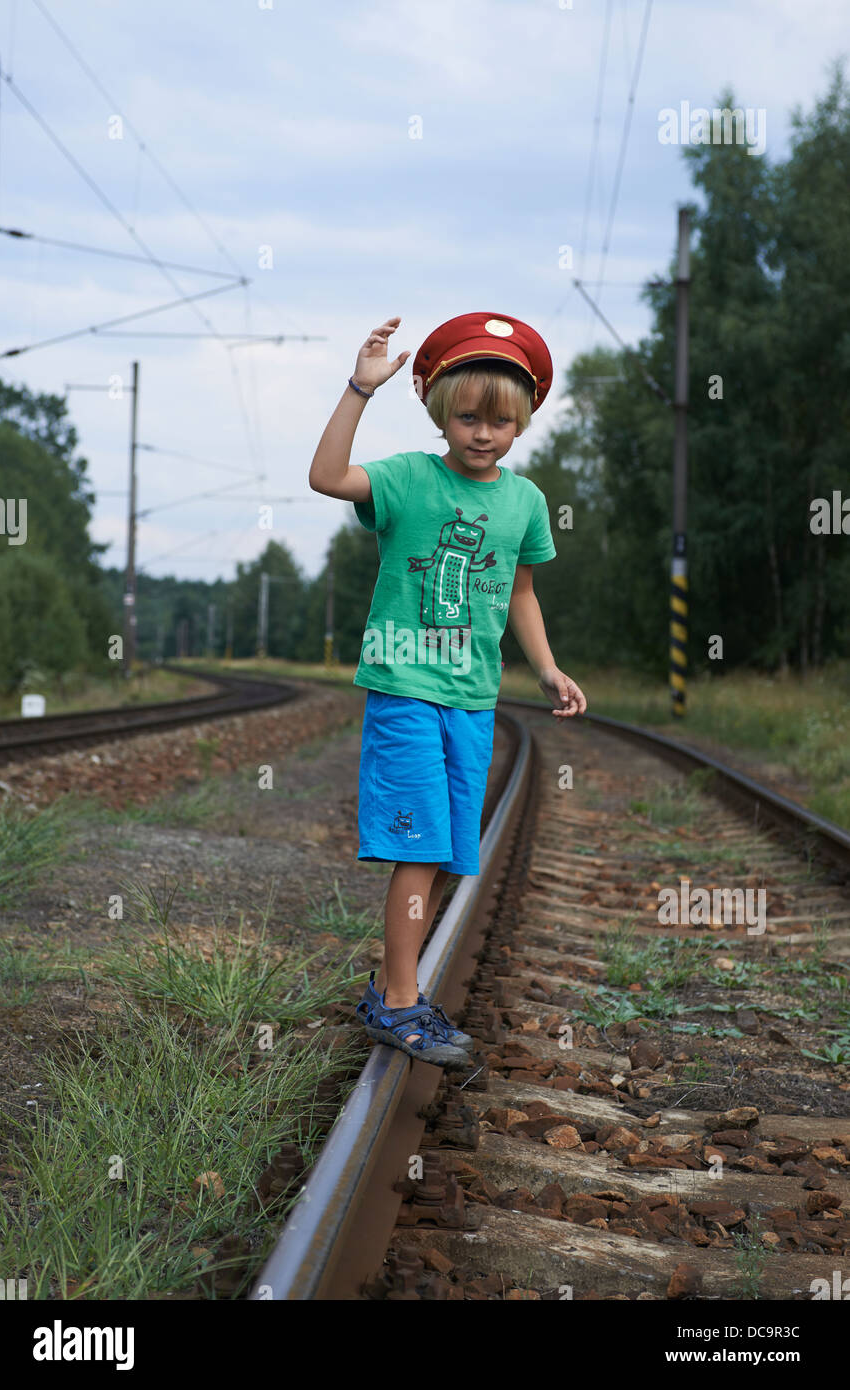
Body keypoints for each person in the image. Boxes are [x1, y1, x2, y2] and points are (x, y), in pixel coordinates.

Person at [309, 312, 586, 1067]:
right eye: (467, 417)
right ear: (439, 412)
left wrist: (547, 667)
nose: (482, 433)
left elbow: (521, 594)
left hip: (473, 696)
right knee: (420, 846)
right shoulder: (405, 477)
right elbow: (327, 477)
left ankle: (399, 989)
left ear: (522, 420)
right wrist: (357, 390)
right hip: (403, 687)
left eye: (499, 420)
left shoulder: (524, 502)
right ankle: (397, 1001)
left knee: (444, 854)